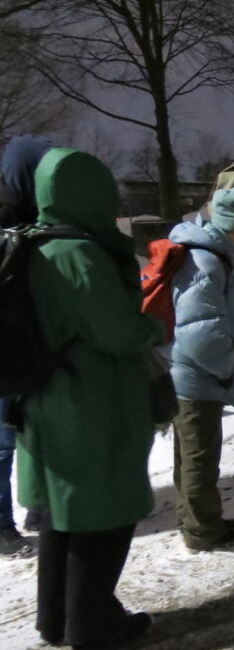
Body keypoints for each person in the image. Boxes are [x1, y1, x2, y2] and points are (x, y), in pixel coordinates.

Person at [19, 147, 162, 648]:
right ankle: (94, 625)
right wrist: (152, 325)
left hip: (49, 398)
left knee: (63, 517)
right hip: (91, 402)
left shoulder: (35, 244)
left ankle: (56, 620)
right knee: (102, 520)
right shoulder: (79, 253)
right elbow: (118, 332)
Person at [167, 188, 234, 551]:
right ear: (233, 227)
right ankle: (202, 531)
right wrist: (225, 367)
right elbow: (200, 331)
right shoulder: (206, 262)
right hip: (196, 375)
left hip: (188, 371)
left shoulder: (211, 254)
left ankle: (192, 520)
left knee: (190, 455)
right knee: (200, 459)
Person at [0, 135, 52, 557]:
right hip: (6, 341)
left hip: (28, 338)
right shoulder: (7, 217)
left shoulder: (37, 215)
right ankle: (1, 526)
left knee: (32, 429)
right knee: (1, 440)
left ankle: (37, 503)